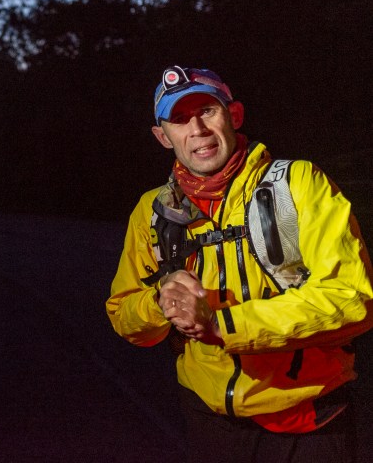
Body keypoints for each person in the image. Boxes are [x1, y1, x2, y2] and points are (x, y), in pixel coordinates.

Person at [107, 65, 373, 462]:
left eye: (207, 111)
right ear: (163, 137)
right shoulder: (151, 210)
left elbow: (353, 301)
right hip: (210, 423)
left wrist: (220, 325)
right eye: (180, 119)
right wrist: (161, 303)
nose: (196, 128)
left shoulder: (299, 183)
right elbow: (124, 316)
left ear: (234, 115)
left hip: (307, 423)